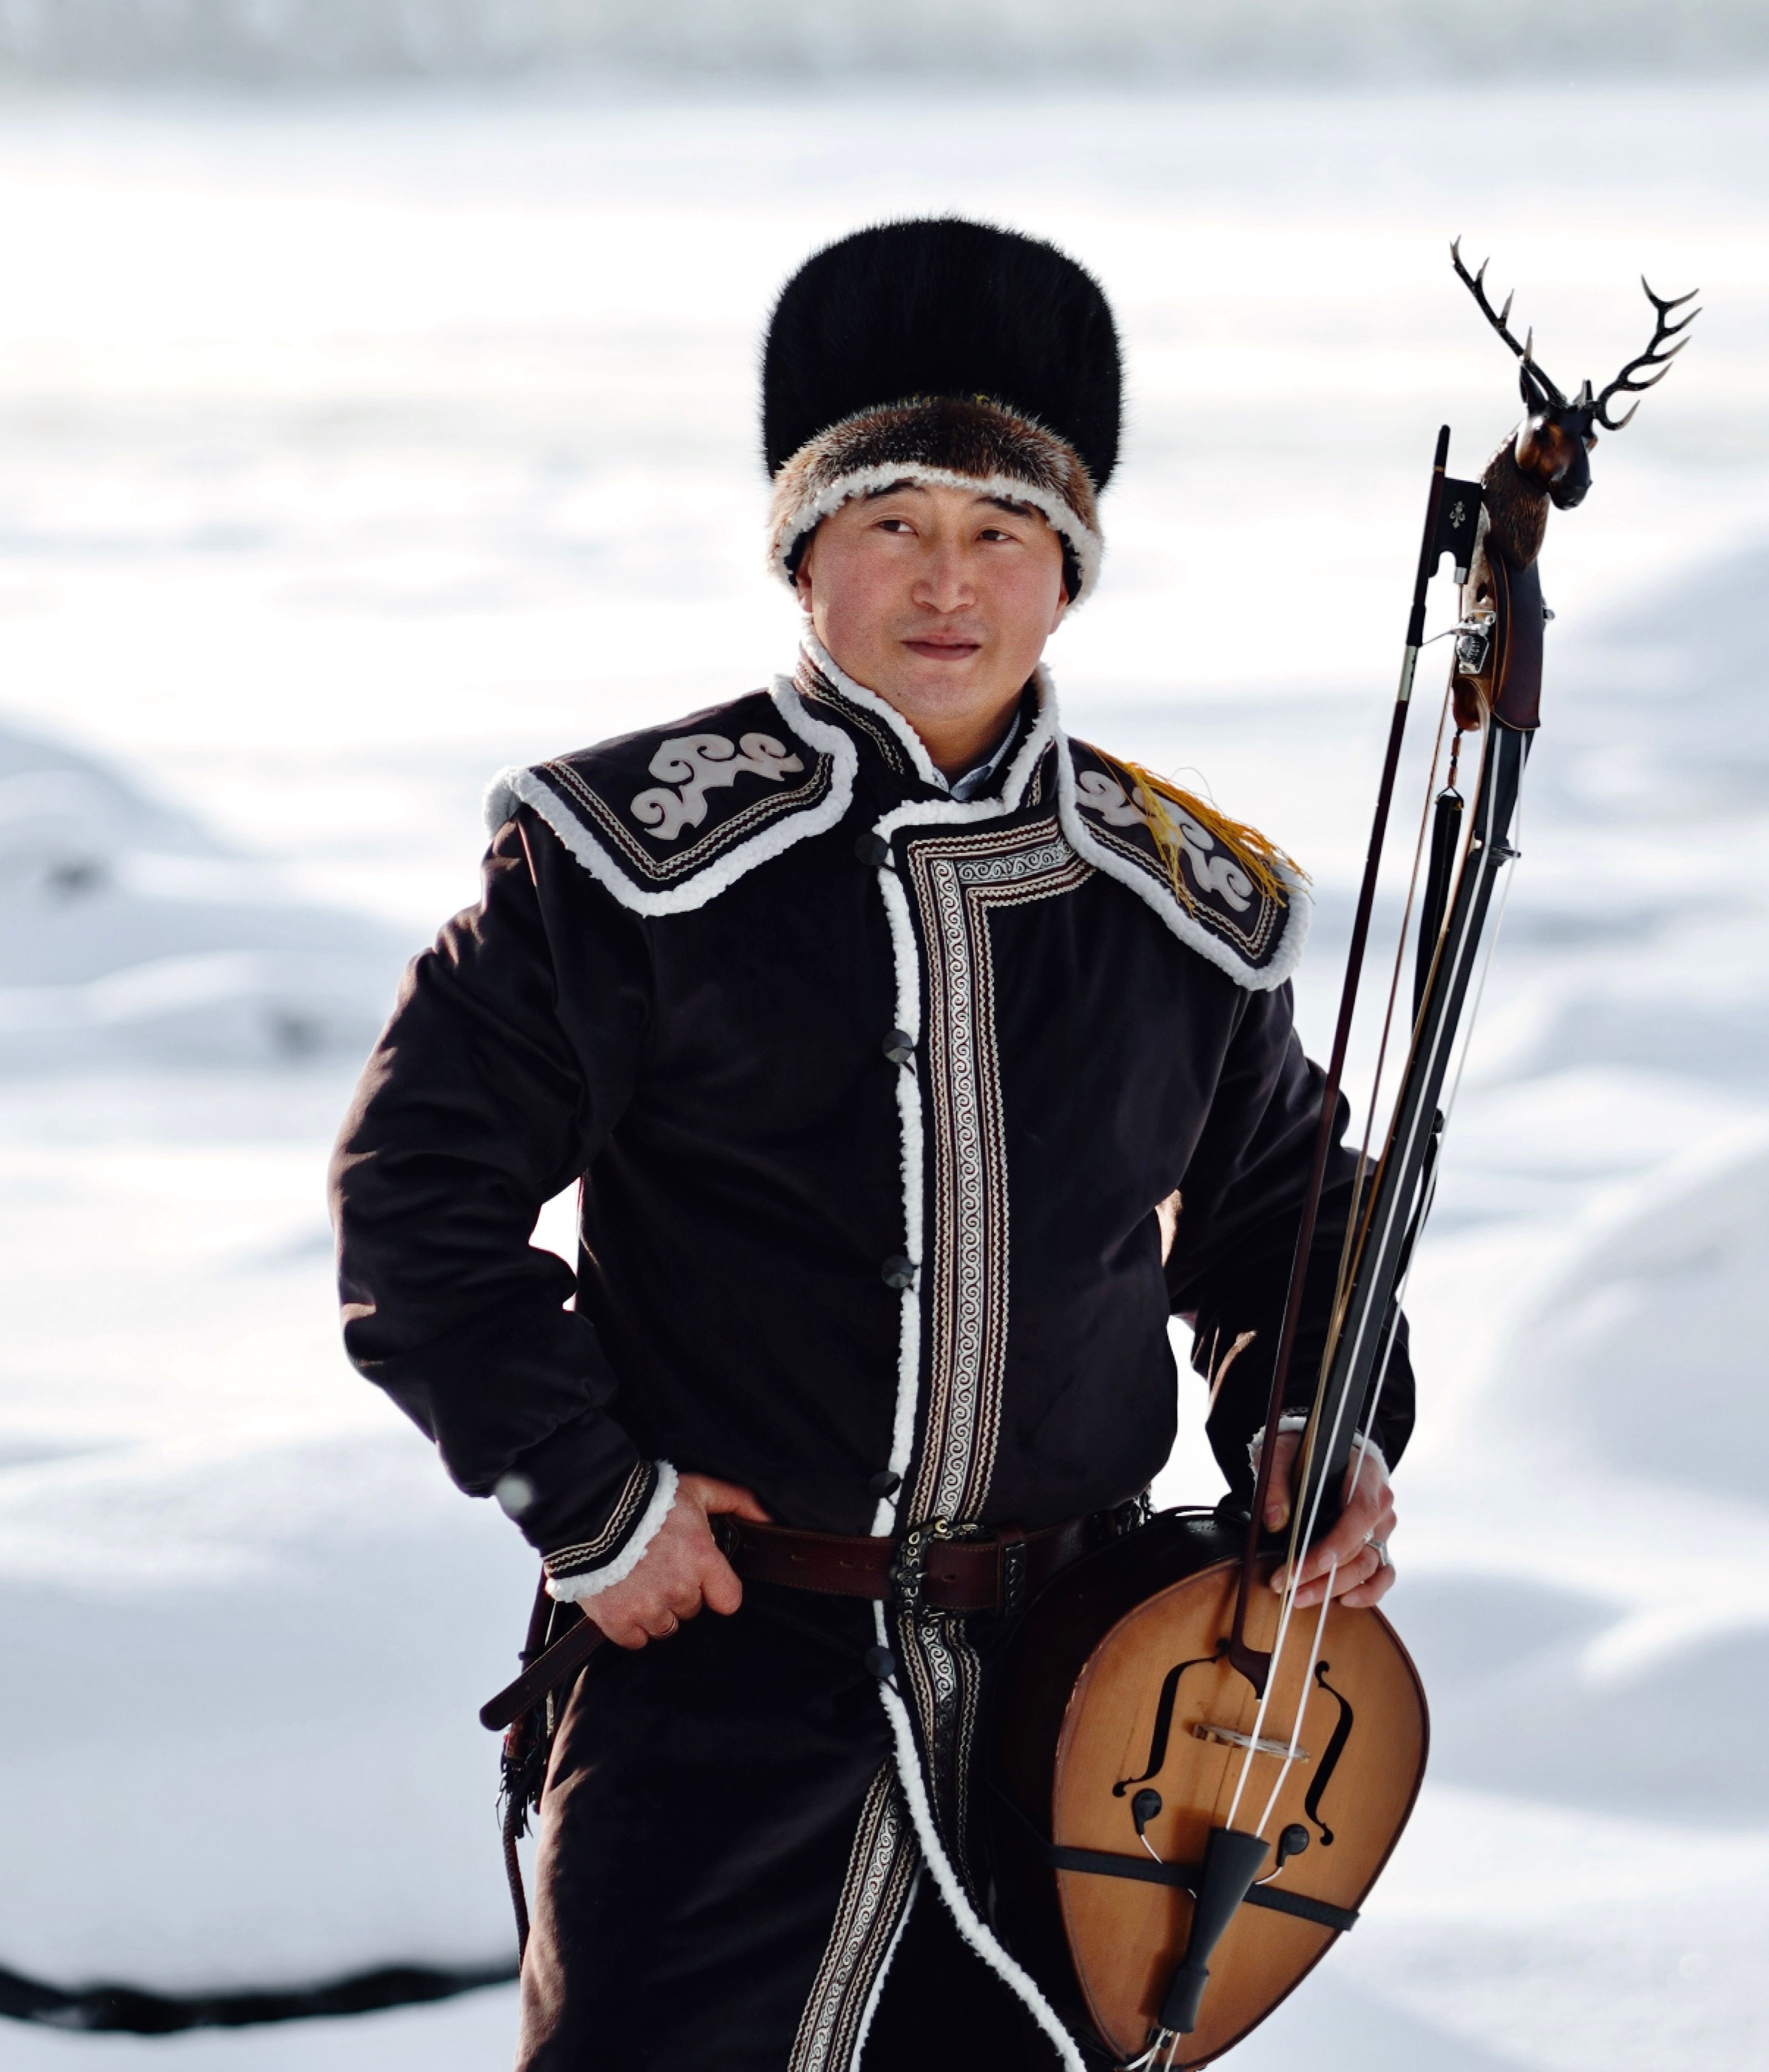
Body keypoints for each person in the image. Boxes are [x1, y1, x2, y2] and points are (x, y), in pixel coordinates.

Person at [331, 218, 1411, 2071]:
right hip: (717, 1686)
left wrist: (1317, 1413)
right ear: (803, 553)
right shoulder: (623, 861)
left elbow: (1285, 1221)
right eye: (892, 523)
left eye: (1001, 532)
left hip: (1078, 1714)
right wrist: (594, 1503)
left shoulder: (1180, 902)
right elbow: (415, 1204)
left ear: (1063, 577)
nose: (945, 581)